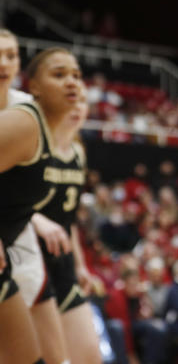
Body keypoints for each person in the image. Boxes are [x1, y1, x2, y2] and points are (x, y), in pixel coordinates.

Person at [0, 47, 85, 364]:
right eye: (59, 75)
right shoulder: (26, 122)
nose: (72, 83)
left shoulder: (51, 134)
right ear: (33, 86)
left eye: (76, 75)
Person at [30, 84, 105, 364]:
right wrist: (36, 220)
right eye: (72, 101)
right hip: (29, 260)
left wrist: (81, 265)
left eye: (83, 102)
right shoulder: (33, 144)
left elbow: (69, 220)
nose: (77, 108)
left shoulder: (78, 152)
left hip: (62, 266)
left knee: (90, 356)